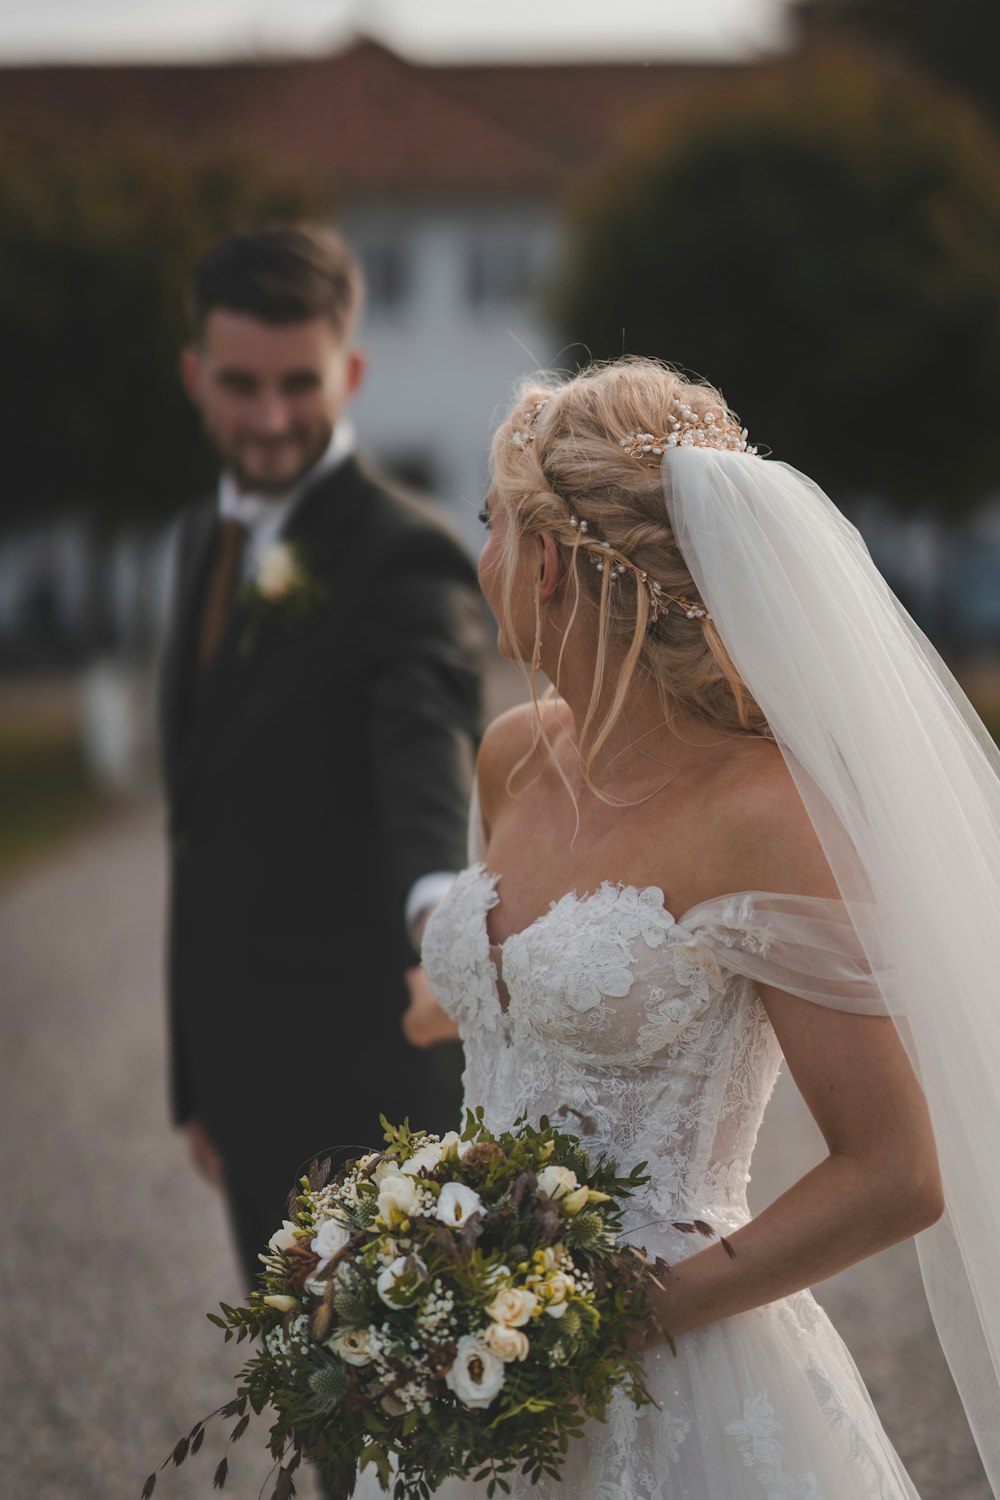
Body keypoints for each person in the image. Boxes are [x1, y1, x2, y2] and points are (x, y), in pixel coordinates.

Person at [403, 358, 1000, 1497]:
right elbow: (525, 994)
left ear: (546, 561)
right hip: (463, 1353)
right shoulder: (514, 756)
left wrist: (618, 1319)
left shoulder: (766, 816)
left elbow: (894, 1171)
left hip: (675, 1374)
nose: (481, 560)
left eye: (491, 524)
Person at [159, 225, 484, 1286]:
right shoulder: (204, 542)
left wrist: (437, 902)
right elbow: (199, 825)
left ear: (348, 371)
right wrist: (199, 1080)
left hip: (366, 1084)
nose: (269, 418)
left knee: (392, 1433)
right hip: (239, 1075)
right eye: (240, 383)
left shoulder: (406, 556)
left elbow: (421, 737)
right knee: (307, 1417)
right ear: (196, 375)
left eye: (300, 383)